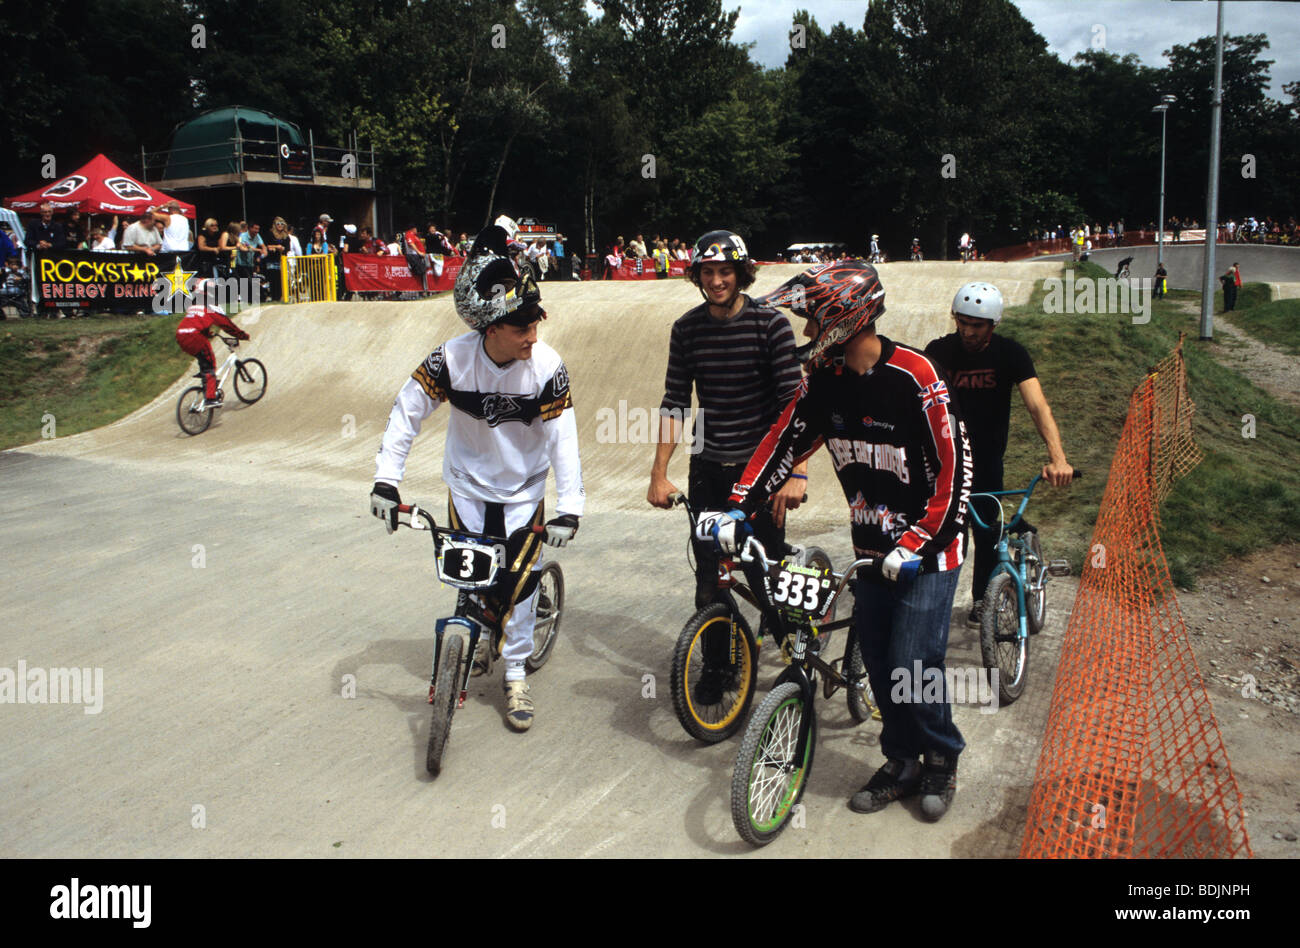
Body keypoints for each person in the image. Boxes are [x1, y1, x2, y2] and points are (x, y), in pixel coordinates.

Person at [701, 259, 971, 821]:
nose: (805, 333)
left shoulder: (917, 378)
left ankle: (941, 756)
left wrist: (919, 540)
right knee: (875, 658)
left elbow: (955, 471)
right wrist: (735, 508)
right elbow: (782, 442)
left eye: (814, 320)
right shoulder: (827, 382)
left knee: (913, 662)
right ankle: (900, 761)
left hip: (929, 551)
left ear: (846, 319)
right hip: (873, 551)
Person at [369, 223, 583, 732]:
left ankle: (514, 674)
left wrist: (570, 506)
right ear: (491, 328)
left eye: (537, 324)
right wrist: (385, 480)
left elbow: (564, 439)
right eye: (522, 328)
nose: (533, 337)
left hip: (522, 493)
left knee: (519, 584)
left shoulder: (547, 367)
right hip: (466, 488)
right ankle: (479, 632)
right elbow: (406, 413)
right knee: (469, 577)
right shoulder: (450, 360)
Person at [648, 229, 807, 672]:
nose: (717, 281)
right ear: (697, 275)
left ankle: (795, 658)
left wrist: (795, 472)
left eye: (725, 272)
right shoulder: (687, 330)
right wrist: (658, 473)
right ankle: (719, 671)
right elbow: (675, 402)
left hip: (761, 473)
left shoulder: (770, 325)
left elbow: (796, 406)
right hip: (709, 470)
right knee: (710, 580)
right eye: (708, 272)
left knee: (766, 574)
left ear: (741, 274)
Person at [924, 282, 1073, 627]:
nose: (968, 331)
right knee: (947, 535)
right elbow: (917, 398)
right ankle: (939, 603)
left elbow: (1037, 405)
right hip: (946, 461)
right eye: (962, 322)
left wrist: (1058, 457)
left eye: (977, 325)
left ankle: (982, 602)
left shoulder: (1010, 354)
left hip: (988, 459)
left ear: (993, 325)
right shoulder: (939, 351)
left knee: (989, 533)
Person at [175, 278, 250, 406]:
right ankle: (210, 398)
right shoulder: (211, 305)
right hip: (194, 336)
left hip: (181, 335)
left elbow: (196, 320)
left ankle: (206, 377)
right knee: (210, 363)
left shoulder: (195, 304)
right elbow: (227, 325)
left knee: (203, 358)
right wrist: (242, 335)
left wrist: (206, 333)